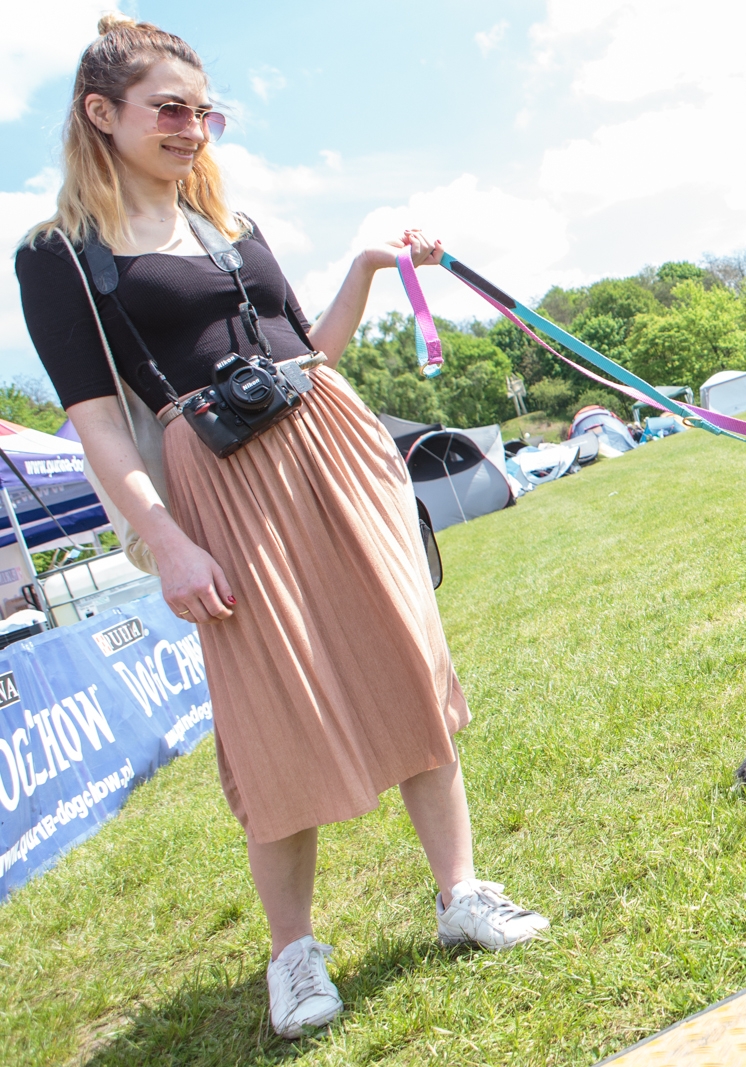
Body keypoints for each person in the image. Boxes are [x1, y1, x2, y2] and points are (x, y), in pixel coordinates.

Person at [14, 16, 547, 1041]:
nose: (191, 128)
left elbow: (315, 351)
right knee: (270, 715)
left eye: (203, 110)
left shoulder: (233, 222)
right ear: (100, 115)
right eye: (169, 109)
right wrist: (166, 539)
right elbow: (95, 426)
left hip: (334, 452)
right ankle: (293, 952)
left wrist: (365, 263)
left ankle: (462, 892)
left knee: (407, 663)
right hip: (217, 483)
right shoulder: (60, 259)